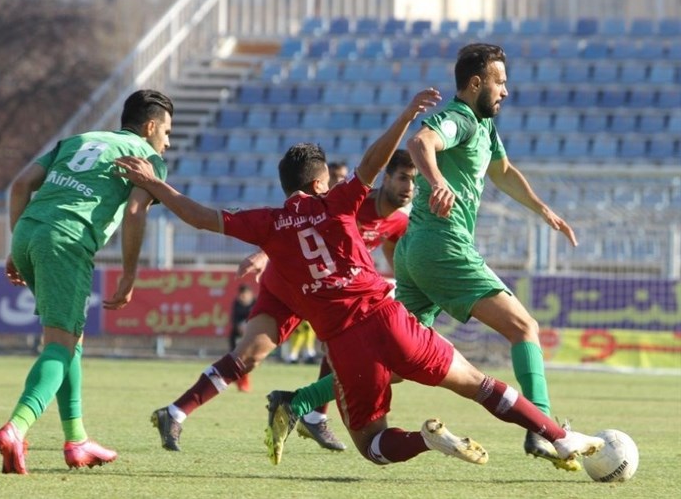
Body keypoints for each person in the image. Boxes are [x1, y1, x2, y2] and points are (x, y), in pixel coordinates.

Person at [114, 88, 604, 469]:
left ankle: (424, 440)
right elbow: (372, 164)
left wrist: (154, 184)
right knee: (479, 384)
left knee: (371, 445)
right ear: (320, 182)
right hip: (389, 318)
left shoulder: (268, 223)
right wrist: (406, 115)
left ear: (287, 187)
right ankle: (560, 437)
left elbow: (200, 216)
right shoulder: (338, 202)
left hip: (345, 344)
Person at [269, 43, 585, 470]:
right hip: (442, 247)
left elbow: (504, 172)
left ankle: (297, 401)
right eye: (500, 82)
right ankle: (543, 429)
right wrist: (436, 182)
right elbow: (421, 142)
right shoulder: (459, 118)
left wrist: (544, 210)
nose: (506, 91)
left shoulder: (484, 126)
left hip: (414, 251)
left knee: (398, 360)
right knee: (523, 327)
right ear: (476, 83)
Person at [0, 89, 174, 474]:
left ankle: (77, 440)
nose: (168, 142)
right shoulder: (148, 159)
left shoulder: (79, 140)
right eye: (167, 132)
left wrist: (18, 244)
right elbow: (135, 212)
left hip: (28, 231)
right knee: (60, 346)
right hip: (67, 241)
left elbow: (21, 185)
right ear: (150, 127)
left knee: (69, 341)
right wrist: (129, 274)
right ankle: (16, 428)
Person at [237, 149, 414, 453]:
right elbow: (300, 226)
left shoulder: (398, 221)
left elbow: (393, 249)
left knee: (351, 347)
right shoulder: (355, 203)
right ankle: (309, 410)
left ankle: (310, 411)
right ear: (385, 179)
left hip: (341, 288)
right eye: (402, 178)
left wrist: (402, 285)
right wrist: (264, 254)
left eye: (413, 181)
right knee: (352, 347)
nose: (409, 187)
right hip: (308, 280)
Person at [229, 284, 255, 392]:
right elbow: (234, 320)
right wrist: (239, 327)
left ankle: (243, 382)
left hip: (252, 336)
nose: (243, 298)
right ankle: (240, 381)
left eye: (245, 295)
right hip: (237, 336)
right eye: (241, 296)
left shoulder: (256, 303)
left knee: (248, 361)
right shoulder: (236, 304)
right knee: (236, 360)